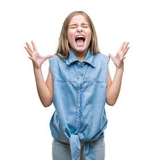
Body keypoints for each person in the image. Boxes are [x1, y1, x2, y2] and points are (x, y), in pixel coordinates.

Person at [24, 11, 129, 160]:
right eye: (73, 26)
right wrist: (36, 69)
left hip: (94, 145)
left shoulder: (101, 62)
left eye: (84, 26)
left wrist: (119, 69)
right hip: (63, 144)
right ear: (66, 35)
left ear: (91, 34)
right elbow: (46, 100)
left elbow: (111, 99)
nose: (79, 29)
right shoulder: (56, 62)